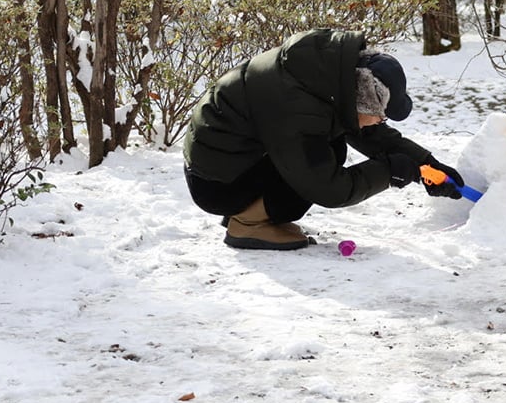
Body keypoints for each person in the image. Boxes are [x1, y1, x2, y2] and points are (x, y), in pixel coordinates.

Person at [183, 28, 464, 250]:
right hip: (217, 184)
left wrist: (426, 163)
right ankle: (248, 221)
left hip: (229, 162)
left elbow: (367, 131)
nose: (381, 122)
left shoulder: (324, 76)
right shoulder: (296, 105)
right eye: (380, 115)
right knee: (326, 156)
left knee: (330, 145)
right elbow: (328, 188)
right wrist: (391, 171)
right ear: (362, 103)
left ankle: (251, 211)